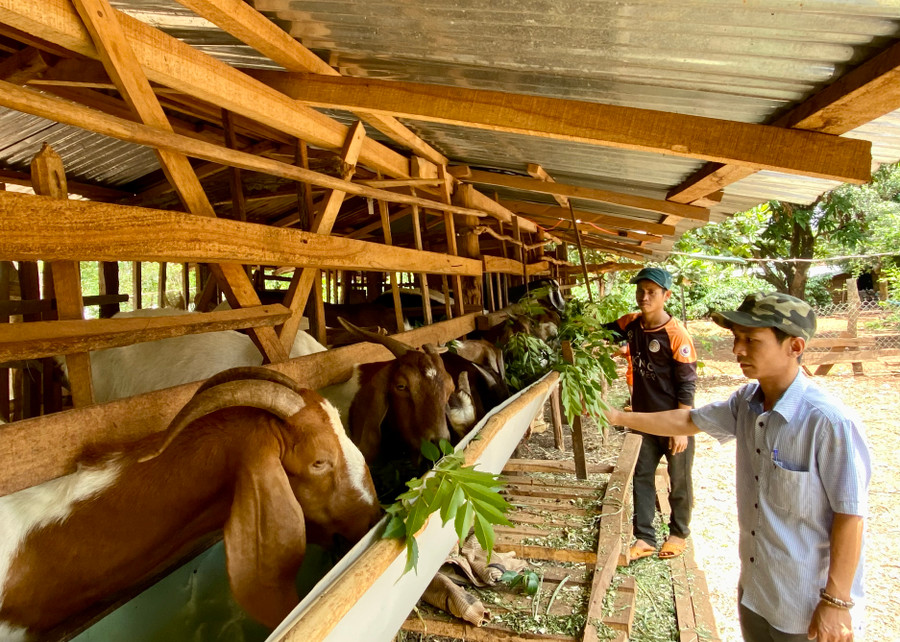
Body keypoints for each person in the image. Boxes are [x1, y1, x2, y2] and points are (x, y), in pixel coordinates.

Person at [605, 292, 871, 642]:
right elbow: (688, 420)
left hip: (806, 606)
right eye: (736, 338)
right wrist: (615, 416)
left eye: (751, 340)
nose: (737, 350)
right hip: (757, 593)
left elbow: (850, 515)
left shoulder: (828, 422)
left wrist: (837, 602)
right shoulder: (746, 402)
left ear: (794, 346)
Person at [605, 266, 697, 561]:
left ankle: (678, 533)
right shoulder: (630, 324)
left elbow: (686, 385)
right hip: (642, 420)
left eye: (652, 292)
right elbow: (601, 333)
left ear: (666, 295)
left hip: (673, 422)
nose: (644, 297)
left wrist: (681, 428)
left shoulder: (676, 335)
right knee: (641, 476)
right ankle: (644, 537)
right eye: (640, 291)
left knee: (679, 479)